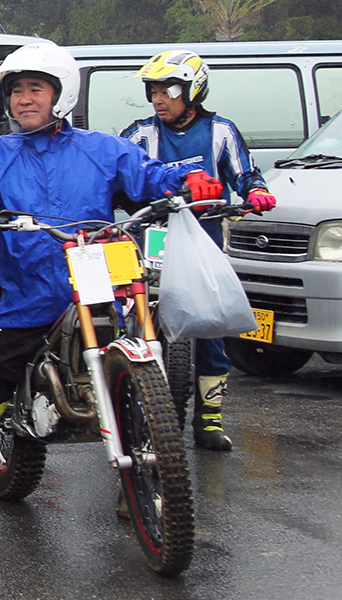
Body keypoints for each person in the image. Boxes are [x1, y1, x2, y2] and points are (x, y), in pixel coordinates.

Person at [0, 42, 226, 530]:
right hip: (28, 295)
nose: (24, 100)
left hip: (99, 287)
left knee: (144, 368)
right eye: (17, 92)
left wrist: (191, 180)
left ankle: (137, 483)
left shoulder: (102, 148)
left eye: (36, 89)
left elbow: (153, 175)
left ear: (61, 94)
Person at [121, 49, 277, 451]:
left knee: (210, 327)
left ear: (193, 90)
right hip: (148, 244)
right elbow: (115, 175)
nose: (158, 99)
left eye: (168, 89)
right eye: (152, 90)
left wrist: (256, 192)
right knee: (134, 323)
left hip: (204, 244)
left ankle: (209, 418)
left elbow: (246, 175)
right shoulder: (140, 135)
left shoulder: (220, 131)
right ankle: (132, 408)